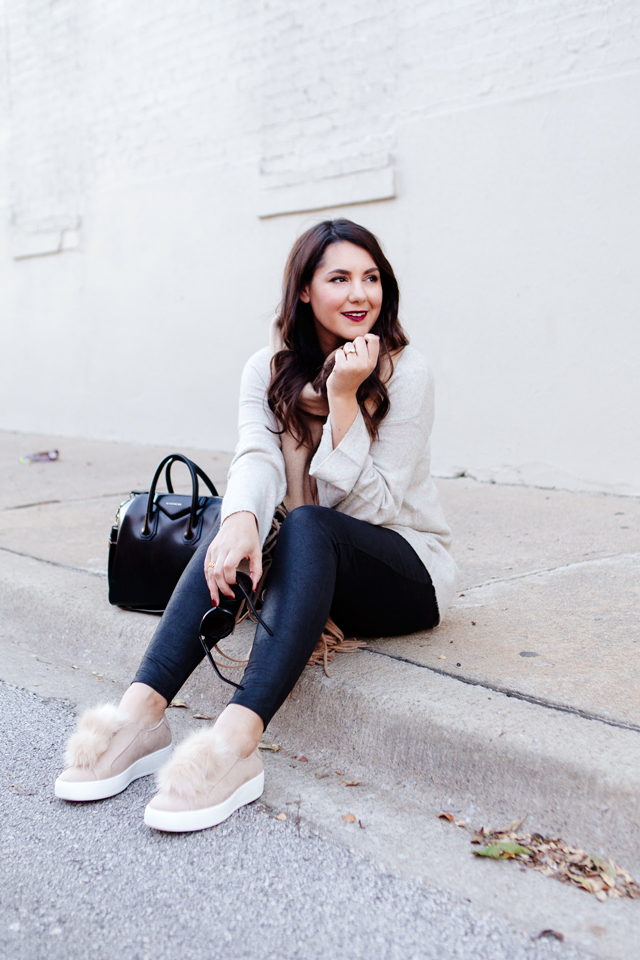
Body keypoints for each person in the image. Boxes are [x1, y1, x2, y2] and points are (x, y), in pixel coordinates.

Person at [55, 218, 457, 832]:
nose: (360, 295)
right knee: (239, 519)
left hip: (401, 570)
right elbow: (257, 458)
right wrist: (241, 520)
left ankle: (235, 745)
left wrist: (346, 398)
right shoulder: (267, 368)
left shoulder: (407, 371)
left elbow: (375, 509)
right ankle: (139, 717)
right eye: (340, 278)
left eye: (371, 278)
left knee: (307, 526)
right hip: (311, 556)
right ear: (303, 290)